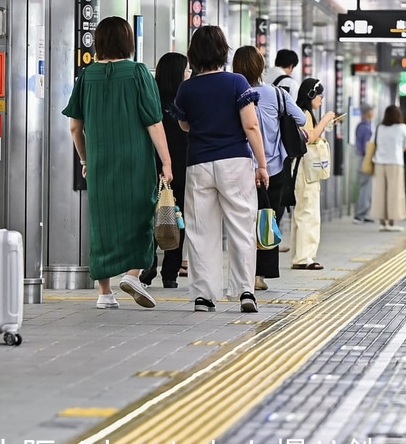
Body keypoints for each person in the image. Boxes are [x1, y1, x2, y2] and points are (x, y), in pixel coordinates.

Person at [63, 16, 172, 310]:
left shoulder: (87, 76)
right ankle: (134, 274)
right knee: (141, 217)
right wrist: (166, 162)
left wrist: (86, 159)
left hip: (100, 162)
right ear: (129, 42)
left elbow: (75, 127)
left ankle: (104, 293)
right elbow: (154, 122)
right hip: (136, 161)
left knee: (102, 224)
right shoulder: (138, 73)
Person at [173, 25, 269, 313]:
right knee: (241, 227)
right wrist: (262, 164)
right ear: (223, 52)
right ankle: (245, 292)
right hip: (235, 162)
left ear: (194, 54)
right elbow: (251, 125)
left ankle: (204, 296)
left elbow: (184, 124)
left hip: (199, 163)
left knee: (202, 230)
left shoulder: (187, 87)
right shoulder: (237, 83)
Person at [233, 46, 305, 290]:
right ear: (261, 68)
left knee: (243, 222)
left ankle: (242, 273)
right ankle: (259, 276)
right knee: (268, 216)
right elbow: (302, 120)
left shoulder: (234, 93)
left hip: (242, 166)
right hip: (274, 169)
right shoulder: (277, 94)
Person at [139, 52, 190, 289]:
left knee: (152, 217)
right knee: (177, 217)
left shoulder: (151, 98)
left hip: (153, 166)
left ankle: (148, 266)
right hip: (180, 167)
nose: (189, 73)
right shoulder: (184, 100)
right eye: (186, 70)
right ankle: (170, 273)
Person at [291, 78, 338, 270]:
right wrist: (326, 119)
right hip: (304, 170)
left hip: (303, 169)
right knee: (308, 212)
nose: (321, 100)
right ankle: (304, 258)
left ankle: (301, 255)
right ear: (310, 95)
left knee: (304, 212)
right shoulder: (304, 114)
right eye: (319, 96)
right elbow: (308, 138)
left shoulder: (304, 113)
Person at [372, 105, 406, 232]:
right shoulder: (402, 128)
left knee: (380, 192)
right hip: (395, 162)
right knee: (394, 192)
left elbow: (374, 143)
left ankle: (382, 222)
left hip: (379, 162)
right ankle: (392, 222)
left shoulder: (380, 127)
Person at [353, 103, 376, 224]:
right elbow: (366, 147)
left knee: (366, 187)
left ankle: (364, 213)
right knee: (365, 188)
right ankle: (360, 214)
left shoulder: (362, 126)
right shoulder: (366, 128)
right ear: (369, 113)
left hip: (362, 159)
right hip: (365, 159)